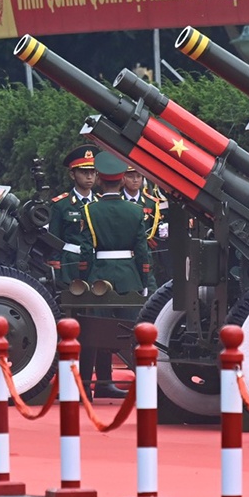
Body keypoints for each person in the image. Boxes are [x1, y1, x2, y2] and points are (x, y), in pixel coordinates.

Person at [80, 163, 156, 398]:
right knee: (131, 333)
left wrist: (84, 279)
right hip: (128, 277)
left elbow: (86, 252)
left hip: (99, 277)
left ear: (100, 181)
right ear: (122, 180)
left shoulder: (89, 210)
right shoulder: (135, 211)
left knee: (94, 332)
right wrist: (144, 280)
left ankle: (89, 384)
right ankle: (142, 386)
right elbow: (142, 252)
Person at [48, 146, 99, 285]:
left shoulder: (100, 204)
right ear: (72, 175)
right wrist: (56, 268)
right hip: (70, 264)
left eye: (92, 172)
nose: (89, 176)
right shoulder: (61, 205)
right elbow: (54, 240)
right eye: (84, 172)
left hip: (96, 265)